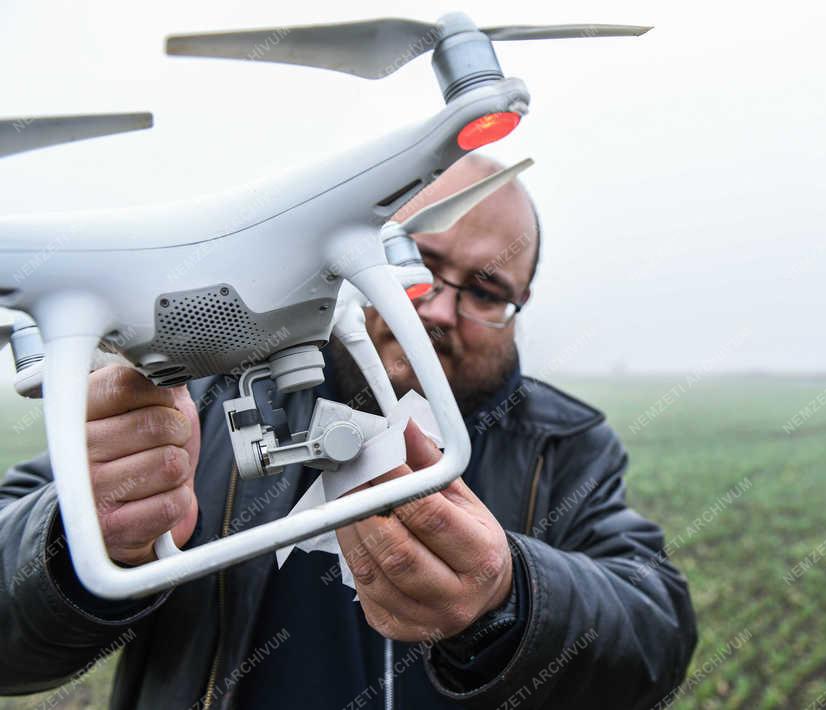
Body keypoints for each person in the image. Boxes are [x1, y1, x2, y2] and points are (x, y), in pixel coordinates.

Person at [0, 154, 697, 709]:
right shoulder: (201, 403)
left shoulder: (563, 446)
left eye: (486, 290)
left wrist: (508, 601)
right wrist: (82, 535)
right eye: (416, 267)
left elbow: (655, 639)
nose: (439, 311)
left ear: (522, 305)